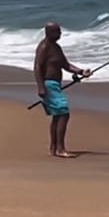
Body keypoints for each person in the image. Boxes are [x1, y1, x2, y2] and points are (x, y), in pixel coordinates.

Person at [33, 21, 91, 158]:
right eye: (57, 31)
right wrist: (40, 86)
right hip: (48, 85)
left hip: (55, 85)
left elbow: (66, 65)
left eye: (59, 31)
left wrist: (82, 71)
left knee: (57, 116)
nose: (60, 34)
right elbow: (37, 67)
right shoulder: (44, 47)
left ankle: (53, 148)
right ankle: (60, 149)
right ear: (49, 32)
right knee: (64, 114)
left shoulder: (56, 47)